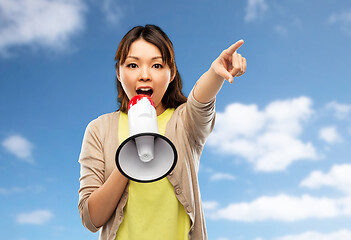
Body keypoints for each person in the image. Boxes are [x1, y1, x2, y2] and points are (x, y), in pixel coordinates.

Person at [78, 24, 246, 240]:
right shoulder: (99, 129)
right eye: (132, 65)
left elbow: (201, 101)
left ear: (172, 73)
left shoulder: (185, 122)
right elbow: (92, 218)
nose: (145, 75)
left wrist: (216, 73)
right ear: (119, 73)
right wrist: (128, 161)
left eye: (157, 66)